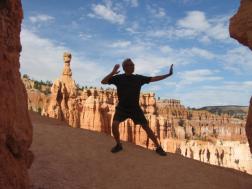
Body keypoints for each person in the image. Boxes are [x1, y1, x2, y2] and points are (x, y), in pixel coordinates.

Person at [101, 58, 173, 156]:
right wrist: (113, 72)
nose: (132, 66)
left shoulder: (138, 78)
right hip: (122, 108)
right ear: (125, 67)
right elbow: (103, 82)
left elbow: (153, 78)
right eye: (130, 65)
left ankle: (158, 147)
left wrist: (168, 75)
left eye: (133, 65)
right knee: (114, 125)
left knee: (146, 128)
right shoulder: (118, 78)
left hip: (135, 108)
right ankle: (118, 144)